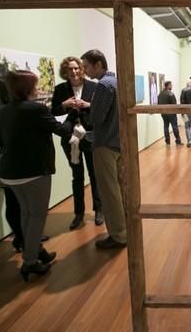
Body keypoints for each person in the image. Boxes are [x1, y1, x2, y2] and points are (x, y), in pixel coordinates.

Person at [0, 70, 70, 281]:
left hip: (9, 173)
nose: (38, 89)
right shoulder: (36, 109)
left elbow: (0, 141)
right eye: (35, 85)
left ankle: (37, 251)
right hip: (34, 172)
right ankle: (29, 262)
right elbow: (61, 130)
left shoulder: (2, 111)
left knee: (26, 213)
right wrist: (71, 117)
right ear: (27, 88)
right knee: (36, 216)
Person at [80, 50, 127, 249]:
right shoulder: (117, 82)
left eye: (86, 66)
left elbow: (97, 118)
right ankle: (126, 229)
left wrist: (86, 109)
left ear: (98, 64)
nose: (84, 70)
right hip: (119, 143)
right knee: (121, 189)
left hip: (105, 144)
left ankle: (118, 235)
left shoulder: (103, 85)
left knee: (109, 193)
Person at [51, 56, 103, 230]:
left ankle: (98, 210)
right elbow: (53, 111)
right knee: (77, 176)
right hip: (70, 138)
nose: (73, 72)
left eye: (76, 68)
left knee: (95, 174)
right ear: (64, 71)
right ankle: (78, 214)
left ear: (81, 69)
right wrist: (65, 105)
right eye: (69, 69)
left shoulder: (93, 86)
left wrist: (87, 104)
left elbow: (100, 107)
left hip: (89, 134)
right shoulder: (60, 89)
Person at [0, 79, 24, 252]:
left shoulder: (1, 110)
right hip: (10, 158)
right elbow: (2, 138)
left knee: (20, 202)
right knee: (13, 201)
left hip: (12, 157)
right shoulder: (0, 112)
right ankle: (20, 237)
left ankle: (24, 236)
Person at [157, 81, 182, 146]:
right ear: (168, 86)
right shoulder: (170, 93)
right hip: (171, 113)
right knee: (174, 127)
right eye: (171, 85)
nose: (172, 86)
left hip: (163, 113)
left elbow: (158, 103)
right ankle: (178, 141)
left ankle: (167, 142)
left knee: (166, 126)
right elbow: (174, 104)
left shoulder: (160, 94)